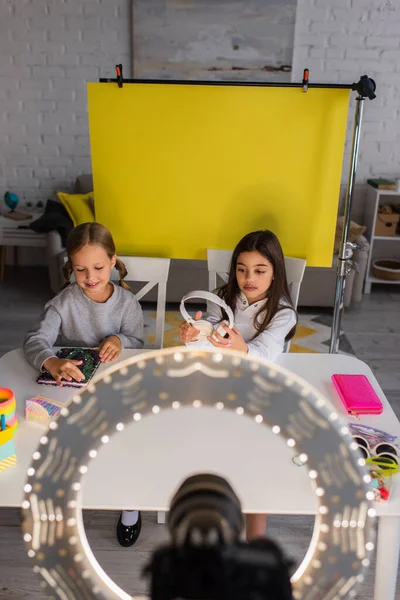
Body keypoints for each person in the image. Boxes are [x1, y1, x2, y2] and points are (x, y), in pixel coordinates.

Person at [24, 221, 144, 548]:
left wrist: (120, 339)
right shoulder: (63, 303)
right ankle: (67, 501)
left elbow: (138, 340)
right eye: (80, 270)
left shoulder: (126, 304)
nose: (90, 277)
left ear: (113, 260)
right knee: (65, 444)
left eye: (98, 267)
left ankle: (130, 507)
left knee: (124, 441)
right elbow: (36, 341)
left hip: (116, 386)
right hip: (71, 388)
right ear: (71, 269)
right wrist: (51, 361)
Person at [179, 229, 297, 540]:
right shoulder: (222, 297)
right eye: (242, 269)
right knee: (204, 443)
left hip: (262, 391)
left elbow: (263, 354)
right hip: (220, 385)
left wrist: (239, 346)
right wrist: (196, 333)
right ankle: (212, 513)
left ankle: (255, 536)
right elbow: (209, 338)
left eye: (260, 270)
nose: (249, 278)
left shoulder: (283, 314)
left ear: (275, 273)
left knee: (256, 457)